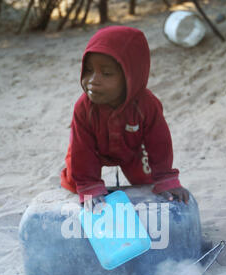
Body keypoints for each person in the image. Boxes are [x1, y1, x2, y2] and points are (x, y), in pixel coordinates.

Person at [60, 25, 189, 211]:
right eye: (88, 70)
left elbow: (159, 144)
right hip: (91, 152)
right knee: (76, 183)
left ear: (131, 75)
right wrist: (89, 187)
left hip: (132, 150)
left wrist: (166, 178)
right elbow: (82, 148)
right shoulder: (84, 108)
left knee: (148, 184)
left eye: (106, 73)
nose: (93, 80)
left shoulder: (147, 105)